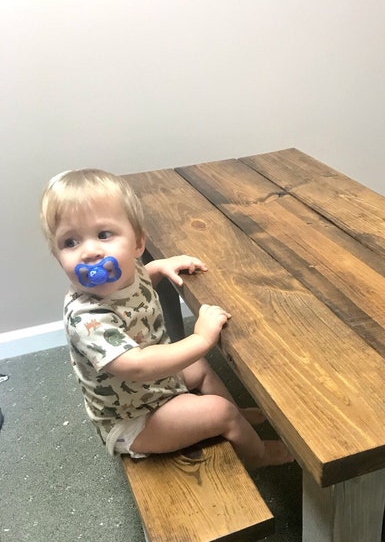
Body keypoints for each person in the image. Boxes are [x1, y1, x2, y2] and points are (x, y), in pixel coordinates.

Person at [39, 168, 293, 469]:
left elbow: (141, 280)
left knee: (199, 368)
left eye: (104, 235)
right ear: (58, 256)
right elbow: (138, 365)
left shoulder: (127, 275)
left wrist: (162, 266)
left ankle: (236, 415)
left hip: (152, 388)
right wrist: (200, 338)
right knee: (218, 410)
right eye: (70, 242)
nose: (90, 252)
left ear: (137, 245)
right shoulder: (87, 318)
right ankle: (257, 453)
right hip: (134, 419)